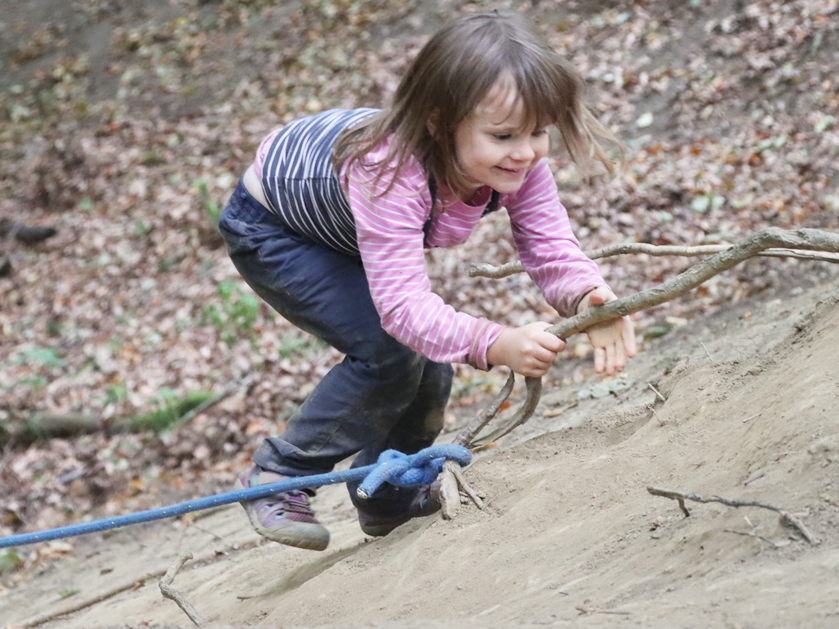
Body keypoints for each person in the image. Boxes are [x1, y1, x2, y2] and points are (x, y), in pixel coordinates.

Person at [217, 11, 636, 551]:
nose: (527, 150)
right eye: (504, 135)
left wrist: (590, 298)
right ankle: (279, 476)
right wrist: (496, 342)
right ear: (439, 122)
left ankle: (386, 494)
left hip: (346, 228)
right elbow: (403, 312)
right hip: (275, 229)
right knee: (389, 352)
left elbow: (548, 244)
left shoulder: (520, 162)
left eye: (539, 131)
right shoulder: (388, 168)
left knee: (432, 371)